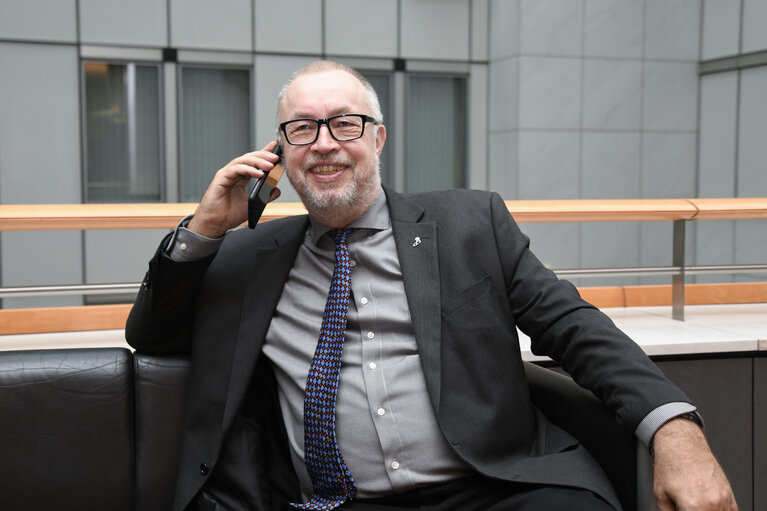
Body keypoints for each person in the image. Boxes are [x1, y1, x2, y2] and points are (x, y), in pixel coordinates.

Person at [126, 60, 737, 511]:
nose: (326, 145)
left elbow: (575, 328)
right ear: (280, 153)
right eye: (303, 130)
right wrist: (204, 228)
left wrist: (675, 430)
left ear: (377, 138)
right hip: (334, 501)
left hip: (494, 488)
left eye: (345, 123)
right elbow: (150, 335)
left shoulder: (470, 224)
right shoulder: (246, 255)